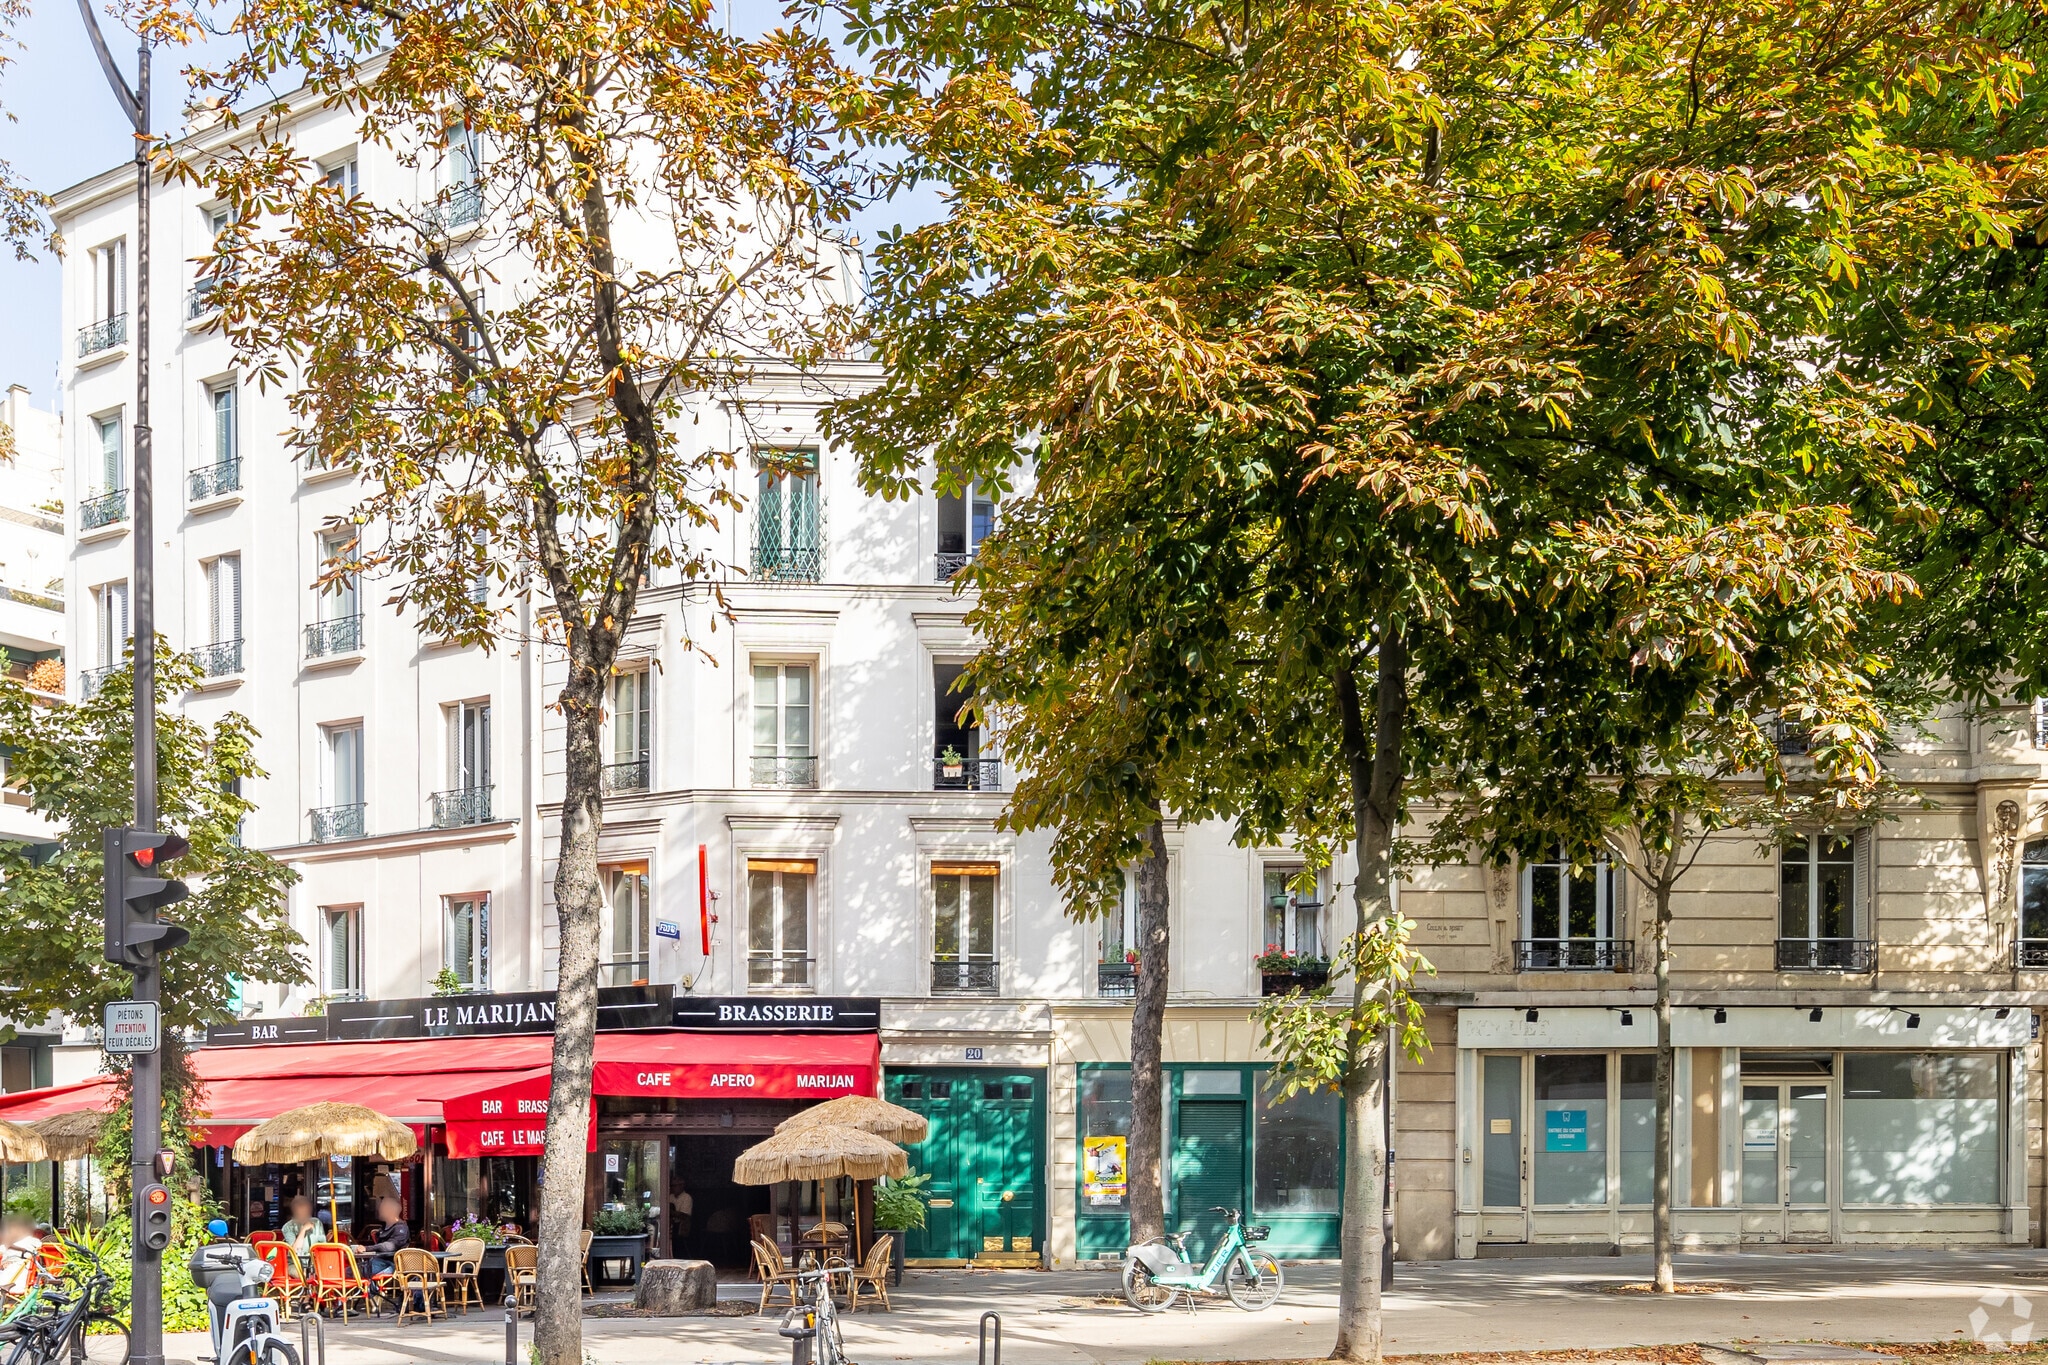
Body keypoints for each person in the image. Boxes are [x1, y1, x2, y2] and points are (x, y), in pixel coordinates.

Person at [361, 1196, 411, 1278]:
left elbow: (389, 1246)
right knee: (349, 1270)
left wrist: (366, 1248)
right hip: (377, 1262)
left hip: (390, 1265)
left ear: (391, 1211)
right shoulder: (384, 1227)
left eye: (382, 1208)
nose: (379, 1210)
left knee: (350, 1272)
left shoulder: (400, 1228)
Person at [667, 1177, 693, 1250]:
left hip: (680, 1226)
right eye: (671, 1186)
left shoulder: (687, 1197)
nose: (672, 1188)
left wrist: (669, 1212)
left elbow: (684, 1215)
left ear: (682, 1186)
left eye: (674, 1186)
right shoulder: (670, 1197)